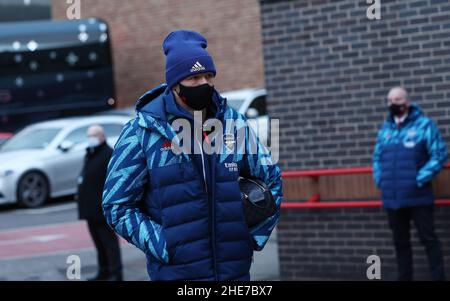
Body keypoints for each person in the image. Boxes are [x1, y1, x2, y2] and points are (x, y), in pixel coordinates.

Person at [102, 30, 282, 281]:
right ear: (175, 83)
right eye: (195, 77)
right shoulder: (142, 132)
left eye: (209, 76)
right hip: (177, 275)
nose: (204, 84)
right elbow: (116, 205)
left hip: (234, 273)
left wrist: (251, 235)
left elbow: (271, 178)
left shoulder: (234, 124)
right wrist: (165, 244)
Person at [373, 87, 448, 281]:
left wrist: (419, 178)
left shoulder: (424, 125)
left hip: (418, 197)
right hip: (393, 198)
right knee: (400, 243)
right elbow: (377, 158)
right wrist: (380, 179)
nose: (393, 104)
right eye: (389, 101)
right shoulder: (385, 130)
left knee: (428, 239)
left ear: (407, 101)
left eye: (397, 99)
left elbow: (439, 154)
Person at [77, 125, 122, 281]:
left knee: (109, 244)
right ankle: (103, 271)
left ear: (102, 136)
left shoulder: (107, 154)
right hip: (90, 209)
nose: (91, 138)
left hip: (102, 209)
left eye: (93, 135)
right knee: (99, 244)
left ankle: (116, 274)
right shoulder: (90, 154)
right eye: (89, 135)